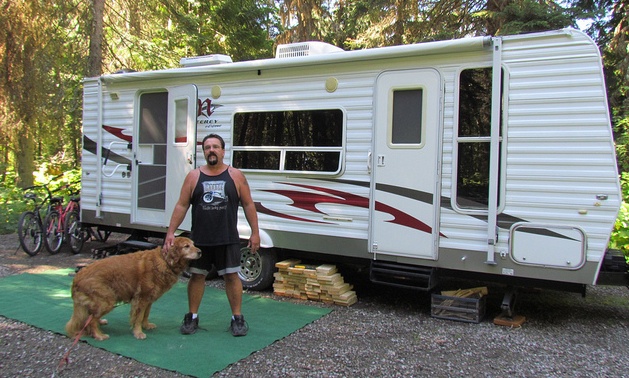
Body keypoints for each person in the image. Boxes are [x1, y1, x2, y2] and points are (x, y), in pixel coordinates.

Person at [162, 133, 260, 337]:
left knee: (232, 276)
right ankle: (192, 317)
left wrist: (255, 232)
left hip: (227, 238)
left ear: (223, 151)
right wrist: (171, 232)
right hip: (200, 240)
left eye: (216, 147)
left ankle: (237, 318)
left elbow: (249, 204)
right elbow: (181, 205)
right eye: (207, 147)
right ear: (203, 152)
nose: (211, 150)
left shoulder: (236, 176)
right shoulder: (194, 177)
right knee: (197, 276)